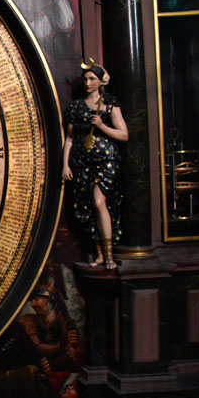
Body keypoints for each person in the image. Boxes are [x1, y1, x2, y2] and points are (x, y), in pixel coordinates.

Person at [62, 60, 128, 269]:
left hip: (105, 160)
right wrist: (65, 165)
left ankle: (109, 256)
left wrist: (102, 126)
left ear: (101, 81)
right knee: (87, 208)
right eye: (85, 79)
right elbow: (69, 139)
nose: (88, 83)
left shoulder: (109, 104)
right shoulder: (76, 107)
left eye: (92, 79)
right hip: (82, 162)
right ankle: (100, 254)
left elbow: (124, 134)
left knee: (99, 202)